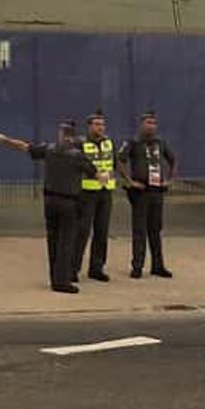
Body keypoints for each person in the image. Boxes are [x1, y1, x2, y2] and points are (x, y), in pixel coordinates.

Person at [0, 121, 96, 293]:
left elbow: (25, 147)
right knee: (66, 242)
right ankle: (62, 281)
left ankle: (54, 278)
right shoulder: (77, 155)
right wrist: (103, 176)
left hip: (50, 201)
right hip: (69, 202)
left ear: (61, 134)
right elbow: (93, 172)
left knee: (52, 240)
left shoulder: (49, 149)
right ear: (73, 136)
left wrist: (5, 140)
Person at [119, 111, 177, 279]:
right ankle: (137, 266)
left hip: (157, 191)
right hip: (140, 192)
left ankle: (158, 266)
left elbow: (173, 159)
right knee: (139, 230)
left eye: (154, 123)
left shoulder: (160, 142)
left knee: (155, 229)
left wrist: (170, 179)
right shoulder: (133, 142)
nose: (151, 126)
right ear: (142, 124)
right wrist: (130, 181)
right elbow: (121, 160)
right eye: (148, 123)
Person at [74, 111, 118, 283]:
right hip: (87, 192)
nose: (101, 127)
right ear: (89, 126)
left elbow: (113, 162)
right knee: (82, 231)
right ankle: (73, 268)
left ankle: (97, 268)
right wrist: (95, 174)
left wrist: (111, 174)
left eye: (102, 124)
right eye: (97, 124)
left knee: (102, 231)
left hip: (105, 192)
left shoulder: (108, 142)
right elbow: (78, 163)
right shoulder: (81, 143)